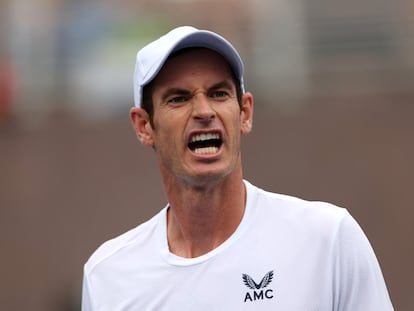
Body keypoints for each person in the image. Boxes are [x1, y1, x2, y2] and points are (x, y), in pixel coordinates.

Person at [81, 26, 394, 310]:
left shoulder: (329, 239)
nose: (204, 111)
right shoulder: (107, 276)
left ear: (244, 112)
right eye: (179, 98)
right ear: (144, 125)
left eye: (219, 94)